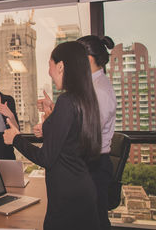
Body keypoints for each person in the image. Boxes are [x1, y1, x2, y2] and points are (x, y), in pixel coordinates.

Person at [4, 41, 102, 230]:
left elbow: (46, 158)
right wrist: (52, 115)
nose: (49, 72)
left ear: (61, 66)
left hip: (67, 197)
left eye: (49, 65)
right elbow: (71, 138)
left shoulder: (67, 100)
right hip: (81, 190)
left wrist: (15, 138)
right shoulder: (84, 98)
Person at [37, 35, 116, 230]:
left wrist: (53, 123)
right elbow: (79, 122)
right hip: (88, 163)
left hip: (93, 165)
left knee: (95, 222)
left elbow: (84, 132)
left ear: (86, 59)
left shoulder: (99, 91)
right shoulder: (91, 87)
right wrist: (56, 115)